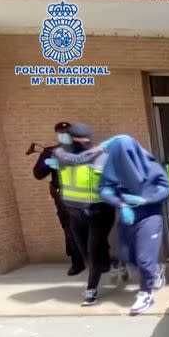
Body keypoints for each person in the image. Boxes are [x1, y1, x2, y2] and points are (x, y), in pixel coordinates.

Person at [98, 135, 169, 315]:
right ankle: (156, 269)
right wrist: (120, 204)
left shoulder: (151, 165)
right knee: (127, 256)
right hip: (127, 218)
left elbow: (165, 188)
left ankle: (146, 293)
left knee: (144, 259)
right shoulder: (112, 167)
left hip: (149, 217)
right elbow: (105, 189)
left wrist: (145, 200)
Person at [45, 123, 116, 306]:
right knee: (85, 254)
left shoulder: (103, 156)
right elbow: (76, 160)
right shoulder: (61, 153)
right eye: (77, 140)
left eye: (85, 141)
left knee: (93, 253)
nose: (82, 144)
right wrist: (98, 149)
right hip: (74, 213)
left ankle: (91, 290)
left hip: (99, 212)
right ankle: (115, 262)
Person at [33, 121, 84, 276]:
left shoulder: (83, 149)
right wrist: (49, 165)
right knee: (69, 229)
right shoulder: (50, 151)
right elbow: (38, 174)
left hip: (84, 193)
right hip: (63, 195)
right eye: (61, 133)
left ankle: (100, 260)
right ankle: (77, 262)